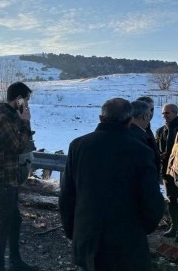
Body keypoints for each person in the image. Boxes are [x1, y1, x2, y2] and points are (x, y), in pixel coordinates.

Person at [59, 98, 164, 271]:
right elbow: (151, 199)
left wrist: (73, 231)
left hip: (88, 238)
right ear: (130, 120)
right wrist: (144, 228)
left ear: (101, 118)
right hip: (126, 242)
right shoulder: (141, 151)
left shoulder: (78, 146)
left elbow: (67, 196)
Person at [0, 82, 38, 271]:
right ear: (18, 100)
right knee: (2, 226)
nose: (27, 104)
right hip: (3, 181)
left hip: (10, 179)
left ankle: (15, 261)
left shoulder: (10, 117)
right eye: (26, 100)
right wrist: (25, 122)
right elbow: (17, 146)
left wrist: (22, 121)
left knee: (15, 221)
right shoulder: (2, 119)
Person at [156, 103, 178, 239]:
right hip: (166, 172)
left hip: (177, 171)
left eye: (167, 113)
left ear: (175, 113)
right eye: (163, 113)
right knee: (171, 200)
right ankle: (174, 227)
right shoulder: (160, 131)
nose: (164, 116)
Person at [136, 96, 160, 173]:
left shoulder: (147, 128)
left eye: (152, 109)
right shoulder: (133, 130)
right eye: (147, 109)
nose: (150, 113)